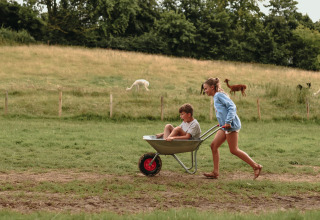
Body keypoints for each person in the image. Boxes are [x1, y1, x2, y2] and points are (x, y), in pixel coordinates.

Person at [202, 77, 262, 180]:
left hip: (231, 125)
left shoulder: (219, 95)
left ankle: (256, 166)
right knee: (213, 146)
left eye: (206, 88)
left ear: (212, 87)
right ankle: (215, 172)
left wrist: (228, 122)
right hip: (224, 126)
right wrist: (221, 122)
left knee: (234, 150)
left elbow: (232, 107)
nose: (205, 91)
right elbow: (222, 111)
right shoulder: (216, 96)